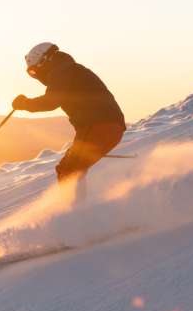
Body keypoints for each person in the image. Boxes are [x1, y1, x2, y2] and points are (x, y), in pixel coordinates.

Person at [12, 42, 125, 198]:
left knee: (68, 170)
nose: (36, 74)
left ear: (44, 60)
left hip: (98, 125)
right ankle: (80, 206)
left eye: (35, 70)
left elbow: (51, 101)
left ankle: (76, 209)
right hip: (109, 126)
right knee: (70, 167)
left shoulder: (61, 71)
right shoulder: (68, 69)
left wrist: (25, 104)